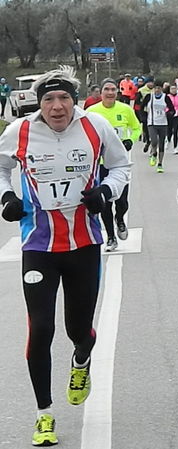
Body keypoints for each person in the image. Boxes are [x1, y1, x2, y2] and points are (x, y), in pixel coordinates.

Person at [0, 66, 130, 446]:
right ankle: (44, 415)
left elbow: (122, 165)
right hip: (38, 246)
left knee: (78, 330)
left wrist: (106, 191)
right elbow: (1, 170)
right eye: (49, 100)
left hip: (84, 244)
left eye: (64, 99)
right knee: (40, 329)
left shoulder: (95, 127)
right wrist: (6, 195)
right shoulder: (19, 131)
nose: (57, 107)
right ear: (38, 104)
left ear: (74, 100)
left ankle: (81, 361)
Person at [88, 78, 141, 251]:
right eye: (106, 89)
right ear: (100, 93)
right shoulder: (92, 111)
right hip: (101, 164)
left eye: (113, 89)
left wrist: (130, 140)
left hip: (120, 163)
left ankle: (120, 219)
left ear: (117, 92)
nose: (110, 93)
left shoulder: (125, 109)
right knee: (104, 202)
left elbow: (137, 128)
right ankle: (110, 237)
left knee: (122, 201)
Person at [142, 80, 174, 173]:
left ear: (162, 89)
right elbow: (141, 107)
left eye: (159, 88)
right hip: (151, 123)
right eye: (156, 88)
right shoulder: (149, 97)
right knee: (154, 141)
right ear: (153, 89)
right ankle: (154, 153)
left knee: (161, 144)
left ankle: (160, 164)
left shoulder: (165, 97)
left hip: (163, 123)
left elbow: (172, 109)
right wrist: (143, 117)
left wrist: (169, 114)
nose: (157, 90)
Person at [136, 76, 155, 152]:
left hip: (153, 111)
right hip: (144, 111)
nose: (151, 84)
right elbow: (137, 101)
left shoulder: (155, 90)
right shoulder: (141, 90)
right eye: (149, 82)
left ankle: (152, 140)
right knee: (146, 126)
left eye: (152, 82)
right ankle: (147, 141)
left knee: (152, 127)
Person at [167, 84, 178, 155]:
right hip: (169, 115)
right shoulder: (167, 97)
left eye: (175, 88)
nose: (173, 90)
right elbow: (165, 105)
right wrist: (168, 111)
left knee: (176, 131)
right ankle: (168, 140)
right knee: (169, 130)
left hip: (177, 115)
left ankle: (175, 148)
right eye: (172, 89)